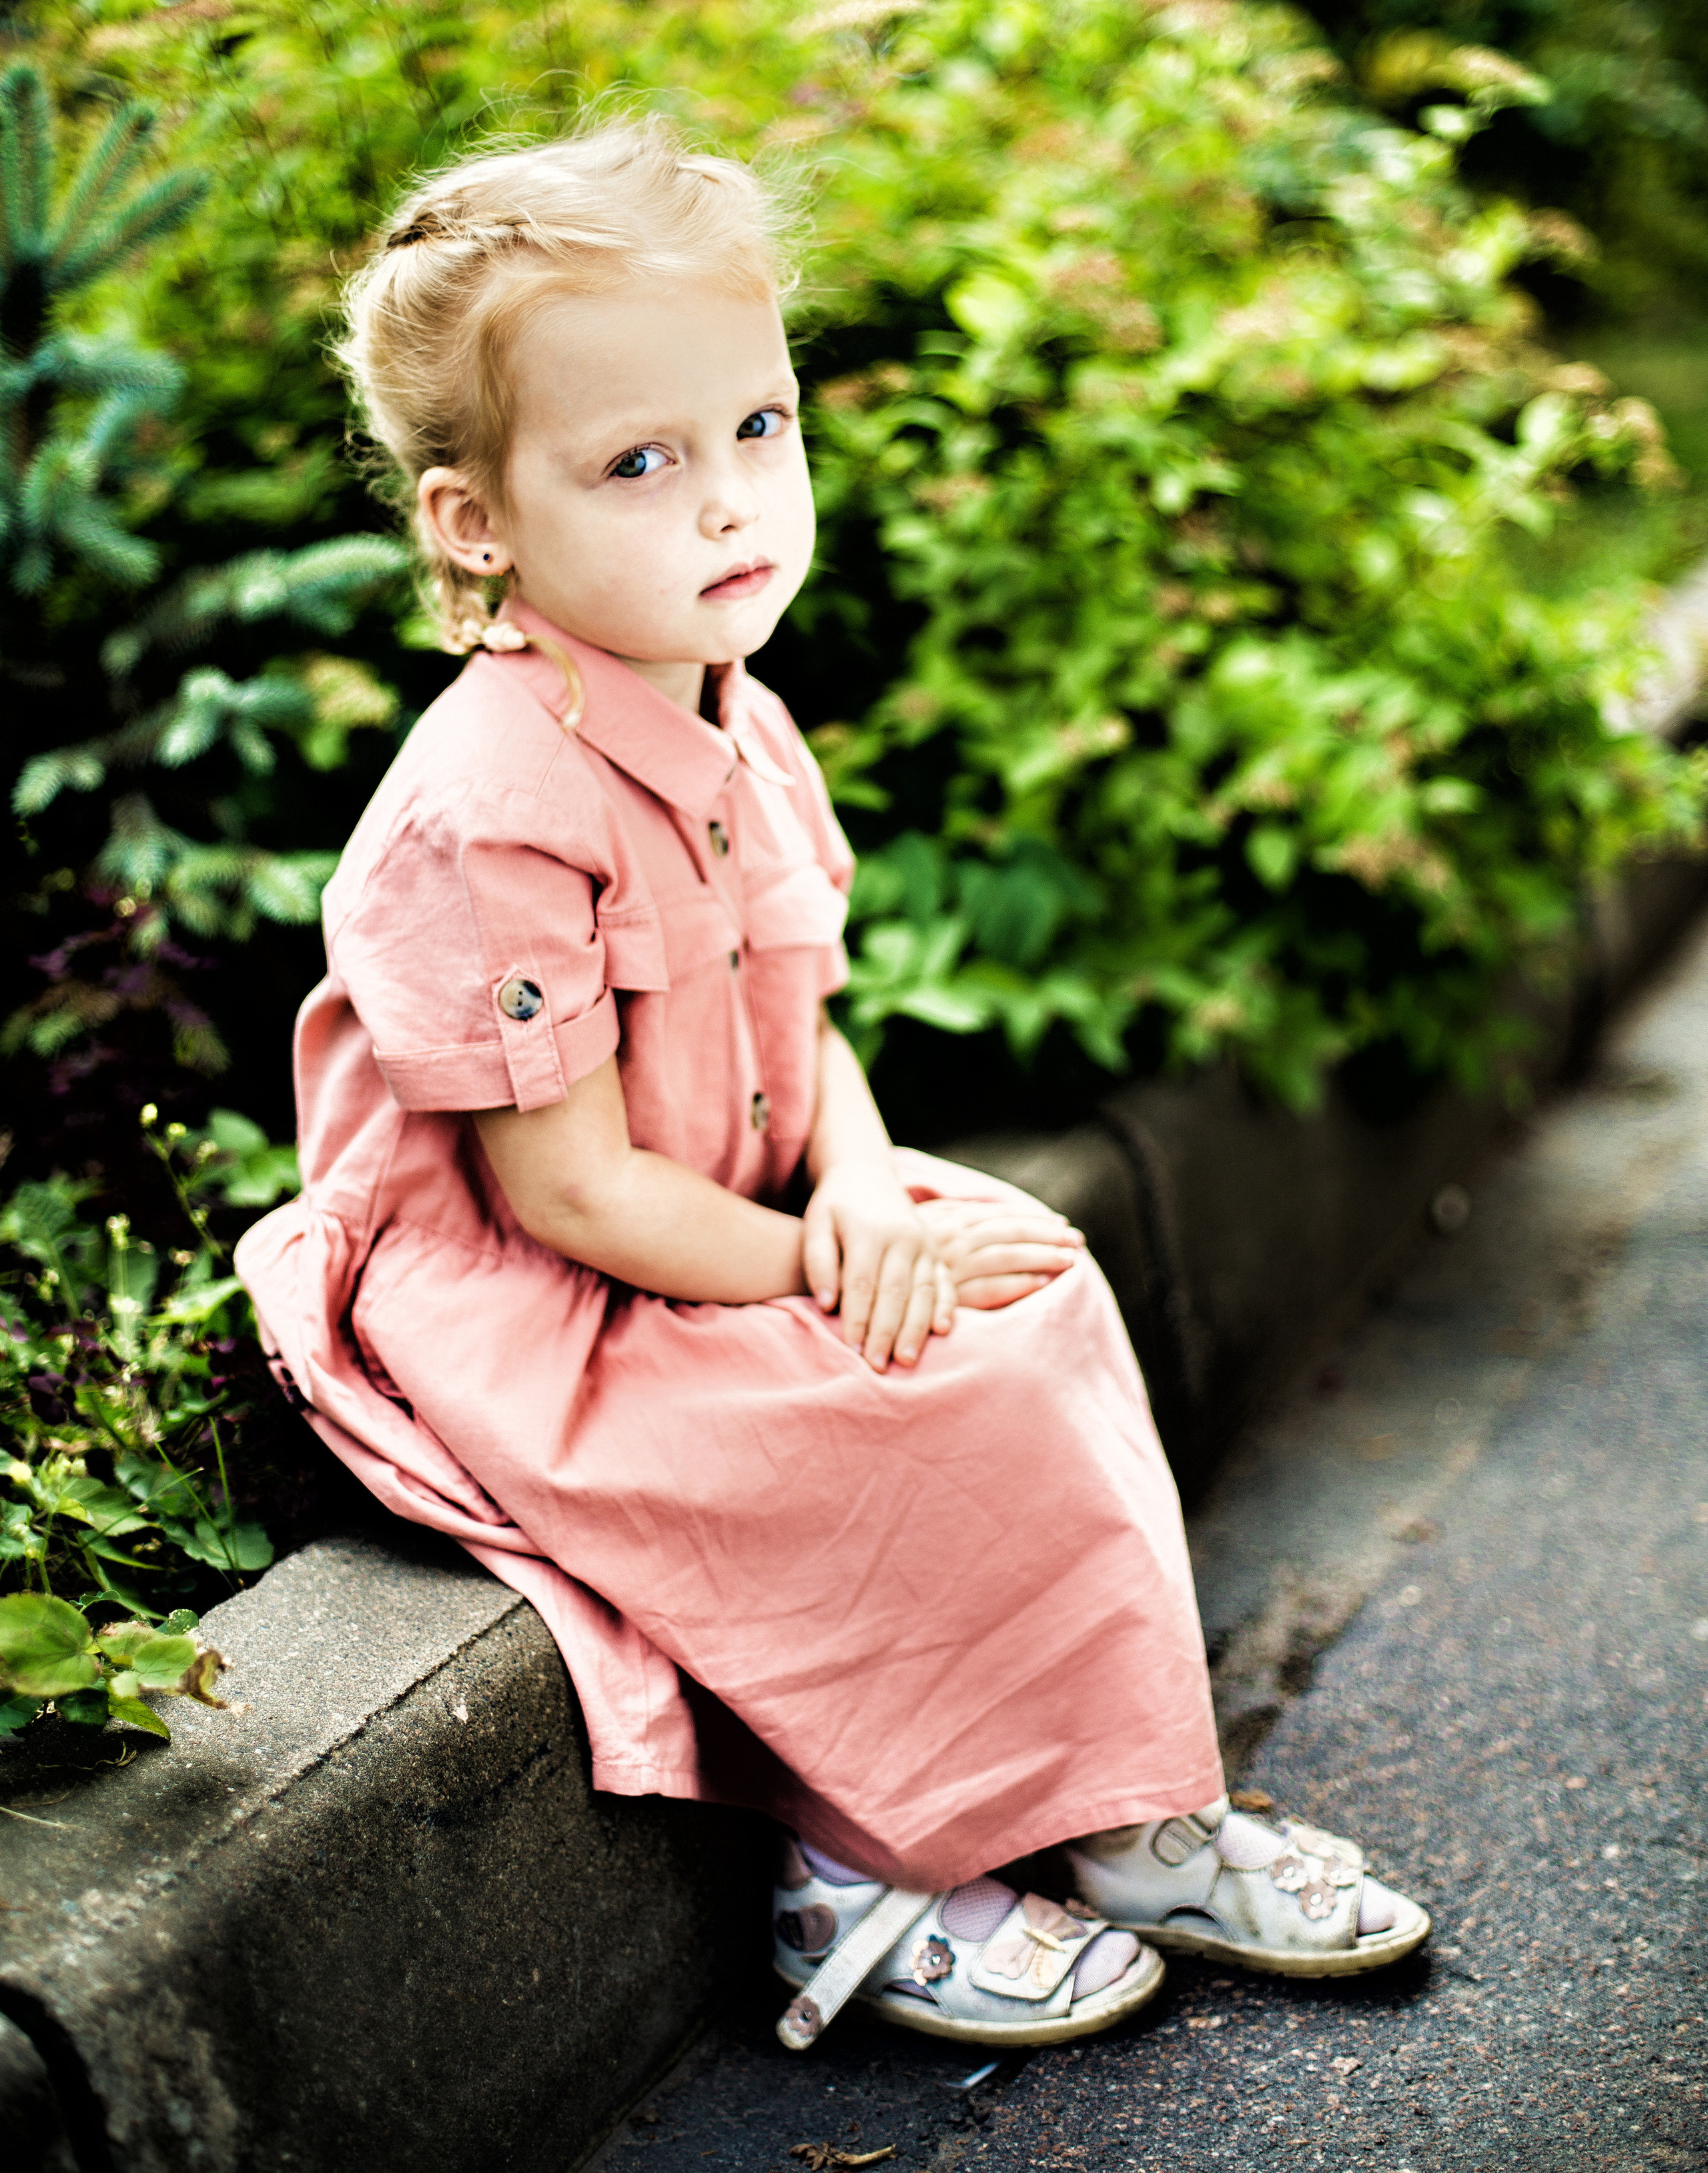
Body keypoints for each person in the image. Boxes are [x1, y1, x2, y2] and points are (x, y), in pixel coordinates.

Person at [238, 117, 1429, 2052]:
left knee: (1023, 1287)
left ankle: (1114, 1807)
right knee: (857, 1425)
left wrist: (865, 1195)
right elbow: (571, 1200)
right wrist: (810, 1275)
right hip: (551, 1300)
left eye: (759, 431)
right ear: (476, 523)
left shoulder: (738, 712)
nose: (729, 506)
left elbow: (811, 1020)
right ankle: (858, 1867)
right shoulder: (485, 811)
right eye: (640, 462)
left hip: (743, 1199)